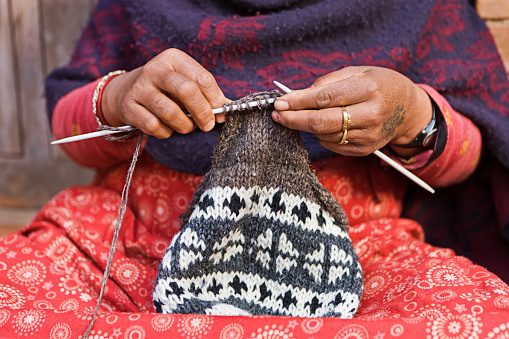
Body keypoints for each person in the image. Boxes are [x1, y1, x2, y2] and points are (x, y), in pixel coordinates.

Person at [1, 0, 509, 337]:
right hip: (132, 236)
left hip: (358, 244)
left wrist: (413, 117)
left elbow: (474, 158)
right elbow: (71, 136)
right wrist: (116, 98)